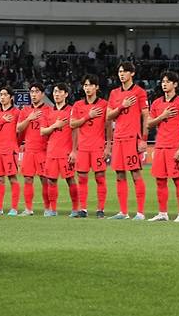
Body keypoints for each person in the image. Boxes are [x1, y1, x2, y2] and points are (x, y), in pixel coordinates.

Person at [107, 62, 150, 220]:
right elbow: (108, 116)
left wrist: (144, 139)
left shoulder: (139, 92)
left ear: (132, 73)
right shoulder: (114, 93)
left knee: (135, 174)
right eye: (119, 71)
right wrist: (121, 106)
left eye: (124, 71)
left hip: (133, 138)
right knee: (119, 174)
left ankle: (140, 212)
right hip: (118, 138)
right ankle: (123, 212)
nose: (121, 74)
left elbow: (146, 115)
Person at [147, 71, 179, 223]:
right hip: (160, 146)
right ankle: (162, 213)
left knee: (178, 180)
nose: (164, 84)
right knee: (160, 181)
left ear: (175, 84)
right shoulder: (157, 103)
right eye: (163, 81)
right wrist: (162, 116)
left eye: (168, 81)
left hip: (173, 147)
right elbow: (148, 123)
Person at [70, 74, 111, 218]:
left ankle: (100, 209)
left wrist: (108, 146)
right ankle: (83, 209)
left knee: (100, 177)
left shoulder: (104, 104)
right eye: (85, 85)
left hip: (98, 147)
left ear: (97, 87)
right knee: (82, 178)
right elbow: (72, 124)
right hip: (83, 148)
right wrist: (88, 115)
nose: (88, 88)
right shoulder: (77, 105)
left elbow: (108, 126)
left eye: (91, 85)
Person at [40, 83, 78, 217]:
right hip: (51, 151)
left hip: (66, 151)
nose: (56, 94)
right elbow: (43, 131)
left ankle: (75, 209)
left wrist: (74, 151)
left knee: (70, 179)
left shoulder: (72, 110)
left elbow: (76, 131)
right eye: (55, 92)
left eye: (60, 92)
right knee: (51, 180)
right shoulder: (48, 111)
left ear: (66, 94)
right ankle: (53, 209)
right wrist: (55, 126)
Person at [16, 83, 51, 216]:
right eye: (31, 92)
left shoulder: (49, 110)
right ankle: (28, 209)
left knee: (44, 179)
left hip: (43, 149)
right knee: (27, 179)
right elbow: (18, 128)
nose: (33, 94)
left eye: (36, 92)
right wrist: (29, 119)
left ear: (42, 94)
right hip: (29, 150)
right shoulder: (25, 110)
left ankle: (48, 208)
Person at [0, 87, 21, 216]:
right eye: (1, 94)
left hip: (10, 150)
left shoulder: (17, 113)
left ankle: (14, 208)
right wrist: (2, 120)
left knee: (12, 178)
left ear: (11, 97)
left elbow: (20, 130)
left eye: (5, 94)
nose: (2, 97)